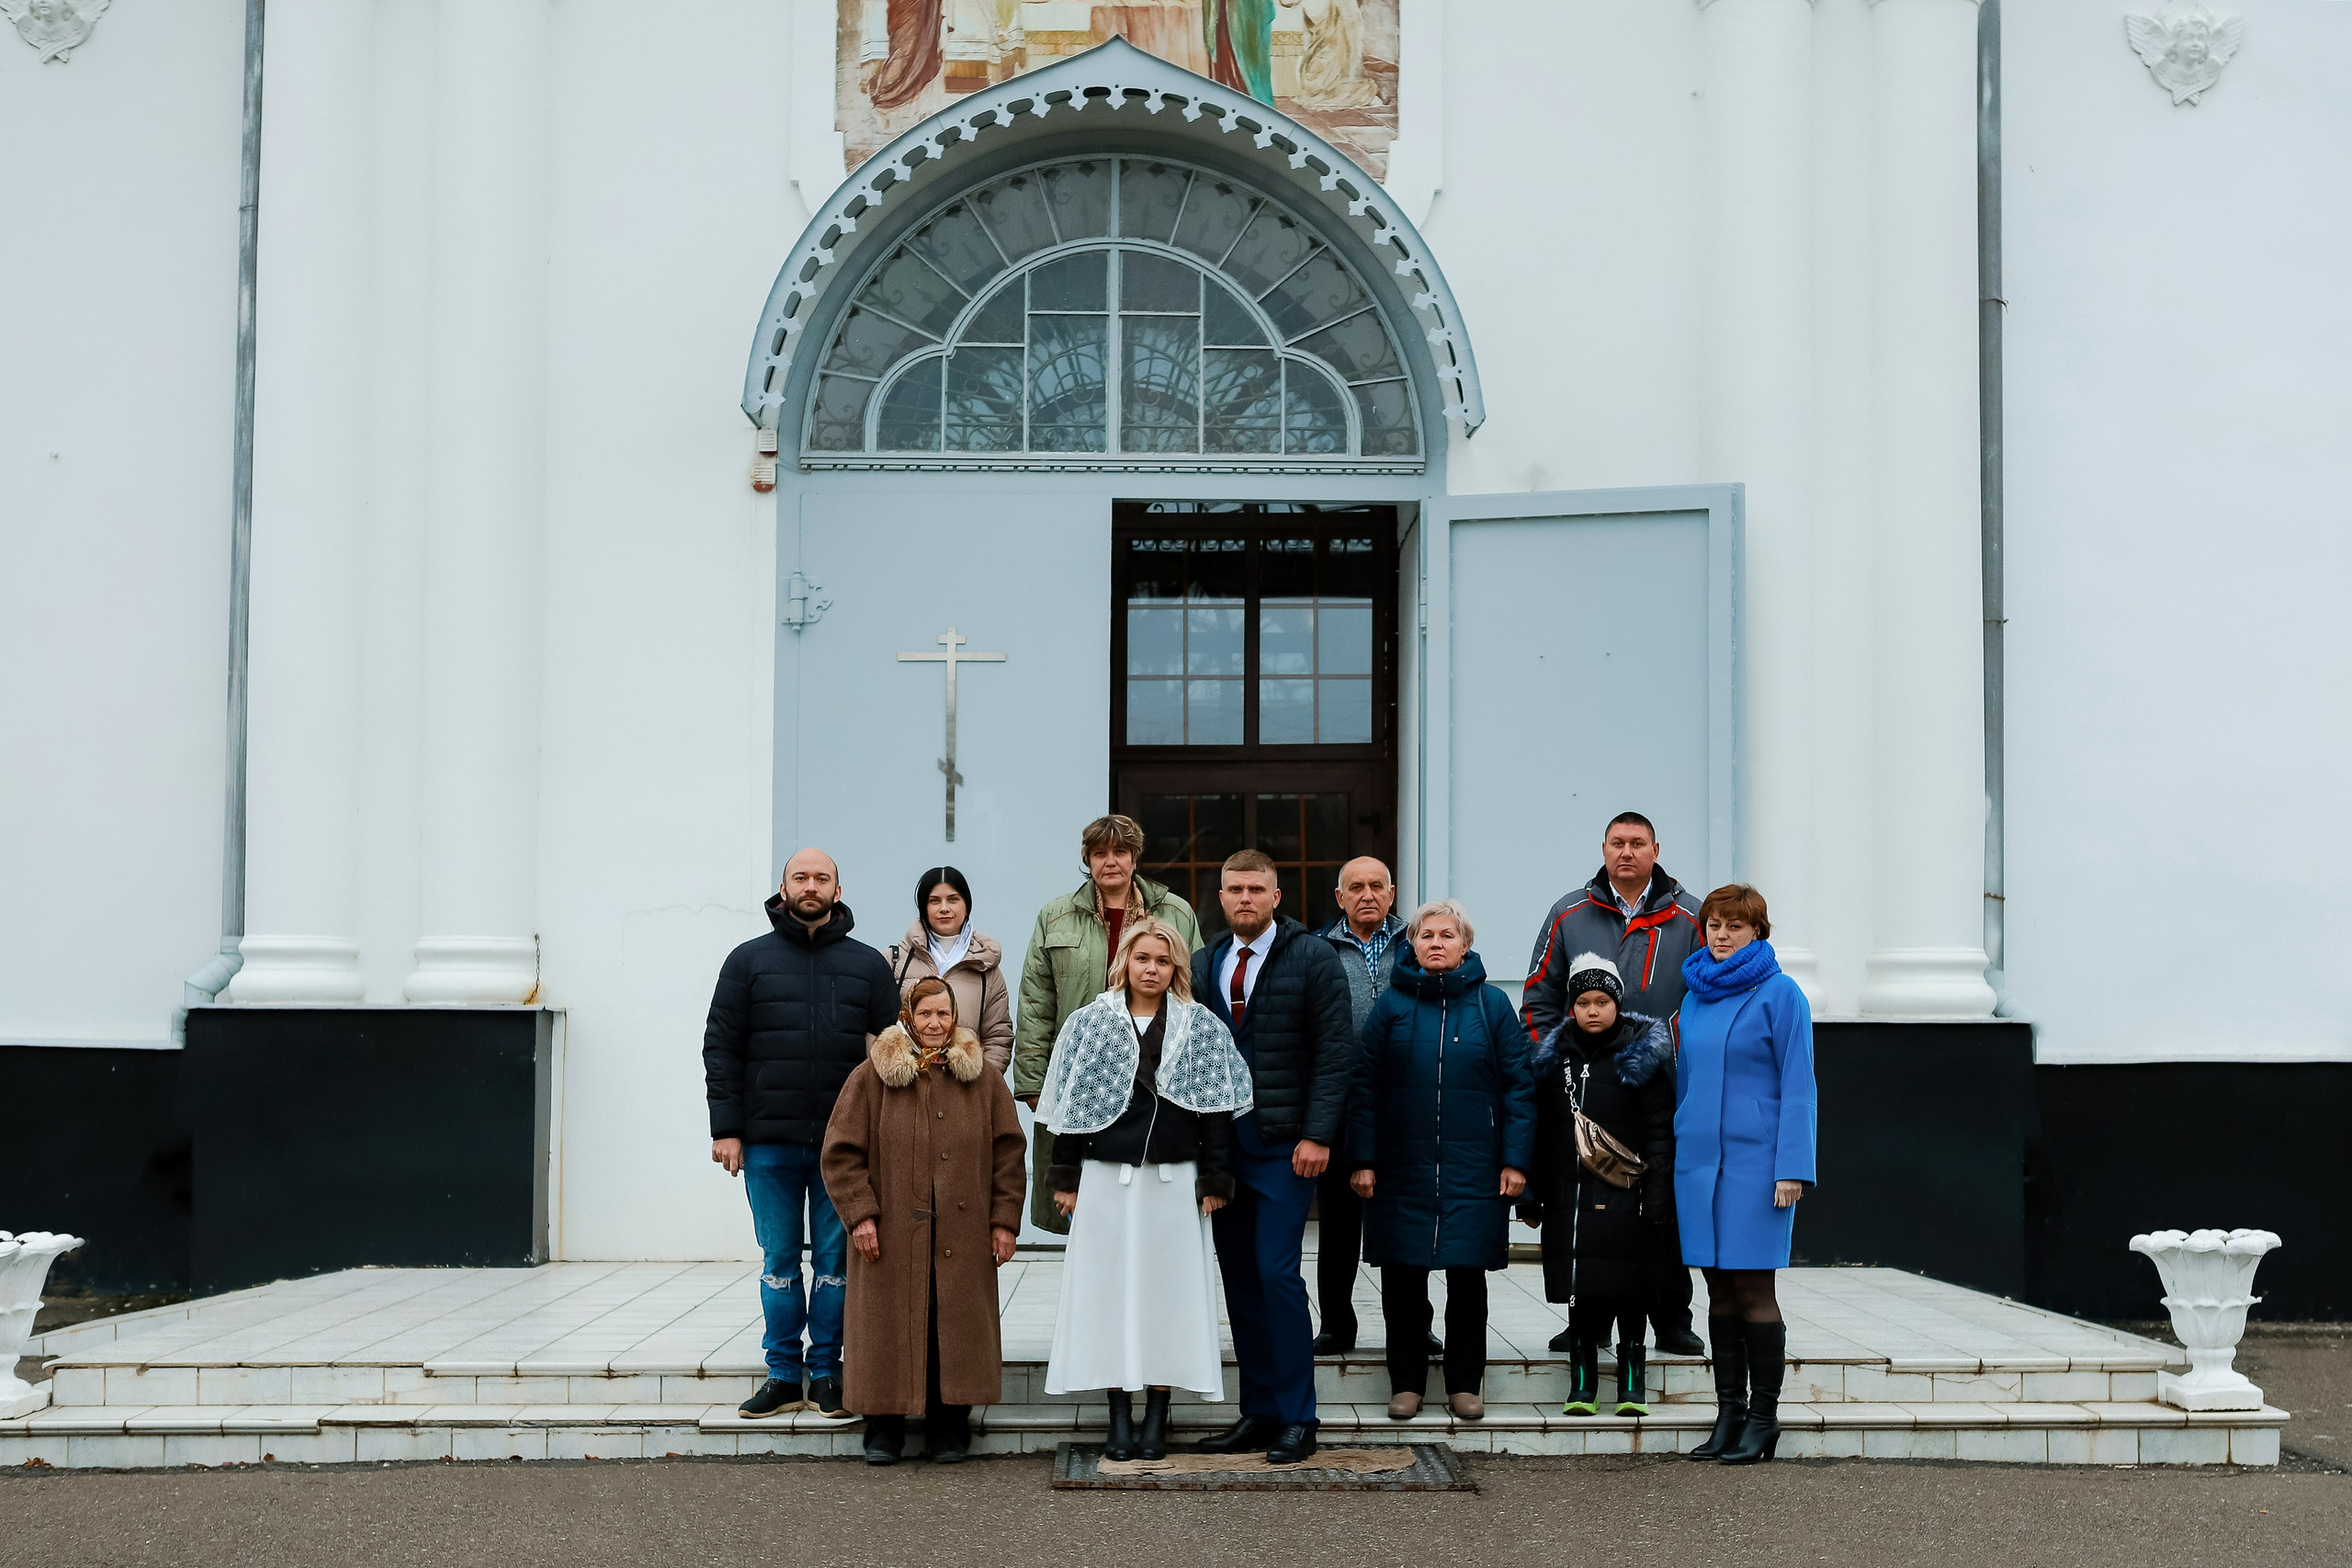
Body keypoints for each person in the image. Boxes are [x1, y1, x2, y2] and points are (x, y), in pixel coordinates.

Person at [1038, 918, 1251, 1461]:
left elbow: (1217, 1110)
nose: (1151, 969)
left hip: (1174, 1183)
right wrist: (1065, 1177)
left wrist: (1215, 1178)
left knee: (1168, 1298)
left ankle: (1158, 1413)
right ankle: (1119, 1415)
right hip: (1105, 1180)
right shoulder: (1090, 1022)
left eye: (1162, 960)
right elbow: (1072, 1105)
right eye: (1142, 958)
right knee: (1109, 1295)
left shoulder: (1199, 1026)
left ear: (1176, 967)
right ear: (1125, 963)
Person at [703, 849, 901, 1421]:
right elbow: (721, 1047)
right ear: (784, 887)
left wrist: (883, 1134)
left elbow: (893, 1052)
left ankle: (828, 1373)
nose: (810, 886)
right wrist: (727, 1128)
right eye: (801, 877)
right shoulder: (747, 961)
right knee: (781, 1262)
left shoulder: (867, 965)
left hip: (845, 1147)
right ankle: (784, 1374)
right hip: (768, 1142)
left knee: (836, 1266)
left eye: (821, 878)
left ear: (838, 890)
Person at [1519, 811, 1708, 1356]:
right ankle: (1590, 1319)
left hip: (1661, 1086)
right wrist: (1554, 1058)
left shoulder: (1689, 917)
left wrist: (1682, 1061)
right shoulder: (1569, 912)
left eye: (1637, 843)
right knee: (1591, 1204)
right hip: (1587, 1084)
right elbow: (1538, 996)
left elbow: (1707, 997)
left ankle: (1671, 1316)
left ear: (1655, 850)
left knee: (1659, 1196)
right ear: (1603, 849)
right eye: (1617, 843)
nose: (1627, 852)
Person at [1192, 849, 1355, 1464]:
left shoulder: (1313, 957)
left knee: (1277, 1274)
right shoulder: (1205, 961)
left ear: (1276, 896)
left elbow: (1335, 1052)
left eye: (1256, 889)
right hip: (1221, 1151)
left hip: (1287, 1149)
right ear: (1221, 897)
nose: (1245, 899)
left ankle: (1297, 1417)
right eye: (1235, 889)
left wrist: (1319, 1134)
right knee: (1239, 1281)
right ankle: (1258, 1412)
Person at [820, 976, 1025, 1465]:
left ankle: (949, 1426)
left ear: (956, 1018)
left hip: (963, 1232)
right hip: (889, 1233)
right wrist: (860, 1216)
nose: (935, 1023)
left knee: (949, 1325)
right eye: (925, 1013)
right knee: (886, 1325)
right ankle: (883, 1428)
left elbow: (1009, 1154)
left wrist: (1004, 1221)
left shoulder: (984, 1080)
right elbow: (841, 1155)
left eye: (944, 1014)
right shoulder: (870, 1078)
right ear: (907, 1016)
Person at [1347, 899, 1536, 1422]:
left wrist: (1515, 1161)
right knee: (1402, 1280)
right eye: (1426, 935)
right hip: (1400, 1166)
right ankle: (1406, 1384)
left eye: (1447, 935)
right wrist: (1362, 1158)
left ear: (1465, 945)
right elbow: (1365, 1086)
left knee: (1468, 1279)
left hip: (1474, 1167)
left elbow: (1519, 1088)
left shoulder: (1492, 1005)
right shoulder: (1392, 1004)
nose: (1436, 943)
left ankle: (1464, 1384)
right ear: (1411, 945)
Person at [1674, 884, 1816, 1465]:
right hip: (1699, 1163)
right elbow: (1685, 1081)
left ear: (1757, 931)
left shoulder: (1782, 994)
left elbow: (1799, 1084)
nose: (1722, 934)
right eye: (1714, 924)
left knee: (1755, 1288)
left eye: (1735, 925)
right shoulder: (1694, 996)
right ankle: (1728, 1415)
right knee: (1718, 1289)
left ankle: (1764, 1419)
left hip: (1758, 1166)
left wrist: (1793, 1168)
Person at [1013, 816, 1203, 1235]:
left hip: (1155, 1075)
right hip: (1081, 1073)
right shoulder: (1055, 916)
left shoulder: (1175, 912)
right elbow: (1036, 1003)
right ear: (1088, 859)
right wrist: (1033, 1083)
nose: (1110, 861)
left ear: (1135, 857)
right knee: (1079, 1199)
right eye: (1099, 853)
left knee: (1149, 1204)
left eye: (1120, 852)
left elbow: (1194, 993)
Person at [1517, 954, 1679, 1420]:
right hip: (1571, 1197)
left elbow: (1661, 1132)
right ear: (1571, 1006)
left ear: (1617, 1004)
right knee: (1581, 1290)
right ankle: (1583, 1383)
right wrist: (1532, 1195)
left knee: (1632, 1290)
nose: (1593, 1010)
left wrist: (1659, 1196)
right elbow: (1541, 1132)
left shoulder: (1641, 1056)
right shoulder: (1555, 1059)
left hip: (1630, 1195)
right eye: (1583, 1002)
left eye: (1602, 1001)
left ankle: (1631, 1381)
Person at [1312, 855, 1434, 1359]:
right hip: (1341, 1104)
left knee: (1405, 1222)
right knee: (1339, 1225)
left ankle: (1414, 1326)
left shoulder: (1417, 944)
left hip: (1407, 1105)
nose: (1367, 894)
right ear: (1339, 897)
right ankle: (1336, 1326)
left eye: (1377, 886)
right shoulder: (1316, 948)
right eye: (1356, 887)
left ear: (1391, 893)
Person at [888, 866, 1014, 1075]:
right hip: (905, 1085)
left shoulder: (986, 967)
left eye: (953, 899)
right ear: (923, 907)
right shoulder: (896, 961)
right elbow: (877, 1030)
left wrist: (981, 1083)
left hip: (965, 1087)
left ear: (967, 906)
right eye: (934, 901)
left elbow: (998, 1037)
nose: (944, 908)